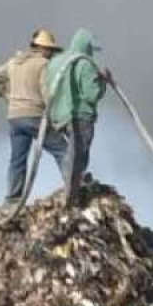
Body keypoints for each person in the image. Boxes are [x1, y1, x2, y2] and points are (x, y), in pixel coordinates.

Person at [0, 29, 68, 204]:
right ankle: (74, 187)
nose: (51, 54)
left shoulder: (14, 62)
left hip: (15, 117)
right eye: (50, 50)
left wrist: (8, 97)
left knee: (18, 159)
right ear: (44, 49)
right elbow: (47, 93)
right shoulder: (43, 65)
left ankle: (12, 199)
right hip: (34, 115)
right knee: (62, 149)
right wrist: (56, 117)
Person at [43, 28, 110, 208]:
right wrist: (103, 82)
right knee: (79, 154)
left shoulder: (55, 62)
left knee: (72, 152)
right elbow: (91, 94)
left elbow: (45, 87)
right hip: (80, 115)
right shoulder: (86, 63)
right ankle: (72, 195)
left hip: (58, 116)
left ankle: (74, 185)